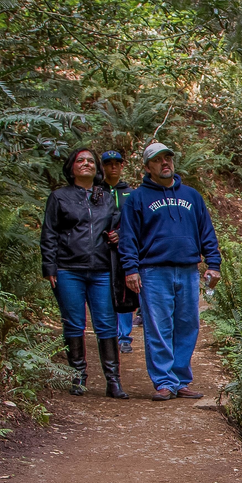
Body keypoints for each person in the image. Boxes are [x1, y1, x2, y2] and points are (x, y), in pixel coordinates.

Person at [118, 142, 221, 401]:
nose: (165, 163)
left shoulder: (191, 196)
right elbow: (128, 237)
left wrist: (213, 263)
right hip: (153, 271)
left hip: (187, 269)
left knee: (187, 325)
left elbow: (206, 231)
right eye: (158, 160)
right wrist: (131, 269)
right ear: (147, 167)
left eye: (168, 158)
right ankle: (164, 381)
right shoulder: (137, 199)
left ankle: (181, 379)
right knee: (159, 327)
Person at [40, 149, 128, 399]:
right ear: (71, 168)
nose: (86, 164)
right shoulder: (59, 197)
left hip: (101, 269)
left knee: (106, 324)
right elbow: (49, 233)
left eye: (91, 161)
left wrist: (117, 236)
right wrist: (49, 266)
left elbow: (117, 225)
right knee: (74, 323)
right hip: (68, 269)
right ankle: (77, 377)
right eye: (81, 160)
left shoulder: (106, 197)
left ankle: (114, 381)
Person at [101, 150, 137, 353]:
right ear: (103, 167)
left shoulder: (131, 194)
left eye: (117, 163)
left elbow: (138, 222)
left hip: (125, 251)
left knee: (125, 292)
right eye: (108, 163)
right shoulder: (96, 191)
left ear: (122, 166)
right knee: (105, 290)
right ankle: (109, 334)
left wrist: (122, 234)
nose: (113, 167)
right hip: (101, 251)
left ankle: (125, 337)